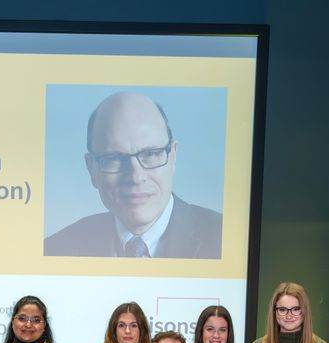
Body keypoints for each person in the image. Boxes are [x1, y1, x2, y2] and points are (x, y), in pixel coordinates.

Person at [44, 91, 222, 258]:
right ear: (91, 168)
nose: (136, 177)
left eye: (151, 154)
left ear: (173, 156)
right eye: (114, 158)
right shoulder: (56, 249)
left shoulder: (223, 237)